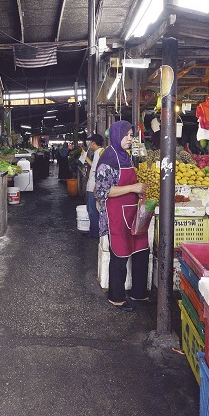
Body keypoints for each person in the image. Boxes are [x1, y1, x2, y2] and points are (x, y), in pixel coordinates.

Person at [95, 121, 149, 312]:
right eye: (126, 135)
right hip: (116, 215)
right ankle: (116, 297)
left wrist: (138, 192)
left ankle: (138, 292)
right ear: (117, 136)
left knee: (141, 251)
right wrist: (132, 188)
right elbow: (101, 191)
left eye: (132, 135)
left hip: (132, 212)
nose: (130, 138)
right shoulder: (108, 159)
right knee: (120, 255)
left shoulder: (124, 156)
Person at [82, 134, 105, 238]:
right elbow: (94, 166)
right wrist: (85, 157)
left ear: (94, 143)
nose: (89, 145)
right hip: (93, 186)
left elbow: (98, 172)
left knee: (93, 210)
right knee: (91, 209)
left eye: (90, 142)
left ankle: (94, 233)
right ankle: (94, 230)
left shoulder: (99, 153)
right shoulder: (98, 152)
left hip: (94, 187)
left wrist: (96, 187)